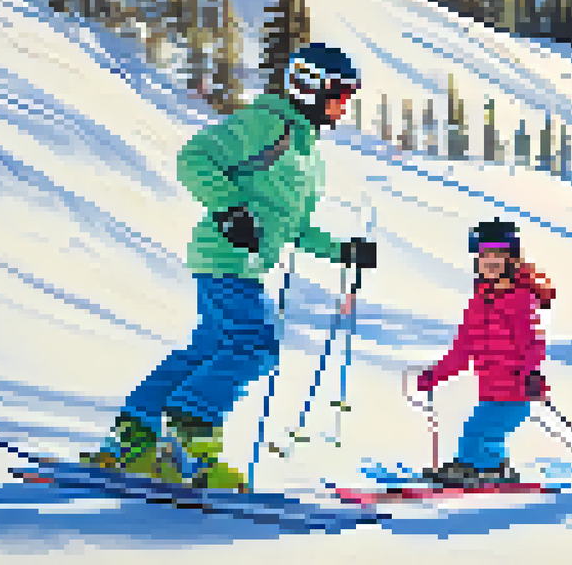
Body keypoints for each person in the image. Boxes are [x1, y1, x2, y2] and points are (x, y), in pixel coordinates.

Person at [82, 43, 378, 489]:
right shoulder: (265, 124)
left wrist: (341, 251)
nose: (343, 107)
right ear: (308, 87)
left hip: (244, 262)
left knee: (208, 351)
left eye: (348, 98)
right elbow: (194, 159)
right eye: (339, 95)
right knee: (254, 345)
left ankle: (134, 438)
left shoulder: (307, 152)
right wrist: (229, 210)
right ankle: (189, 441)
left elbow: (294, 225)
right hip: (226, 256)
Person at [416, 219, 556, 487]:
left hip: (517, 390)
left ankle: (476, 469)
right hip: (491, 391)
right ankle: (491, 467)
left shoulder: (521, 299)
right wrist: (435, 375)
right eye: (484, 255)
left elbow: (534, 342)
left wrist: (532, 374)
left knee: (477, 433)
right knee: (484, 432)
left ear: (511, 260)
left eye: (498, 255)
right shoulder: (478, 303)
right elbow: (462, 349)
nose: (490, 261)